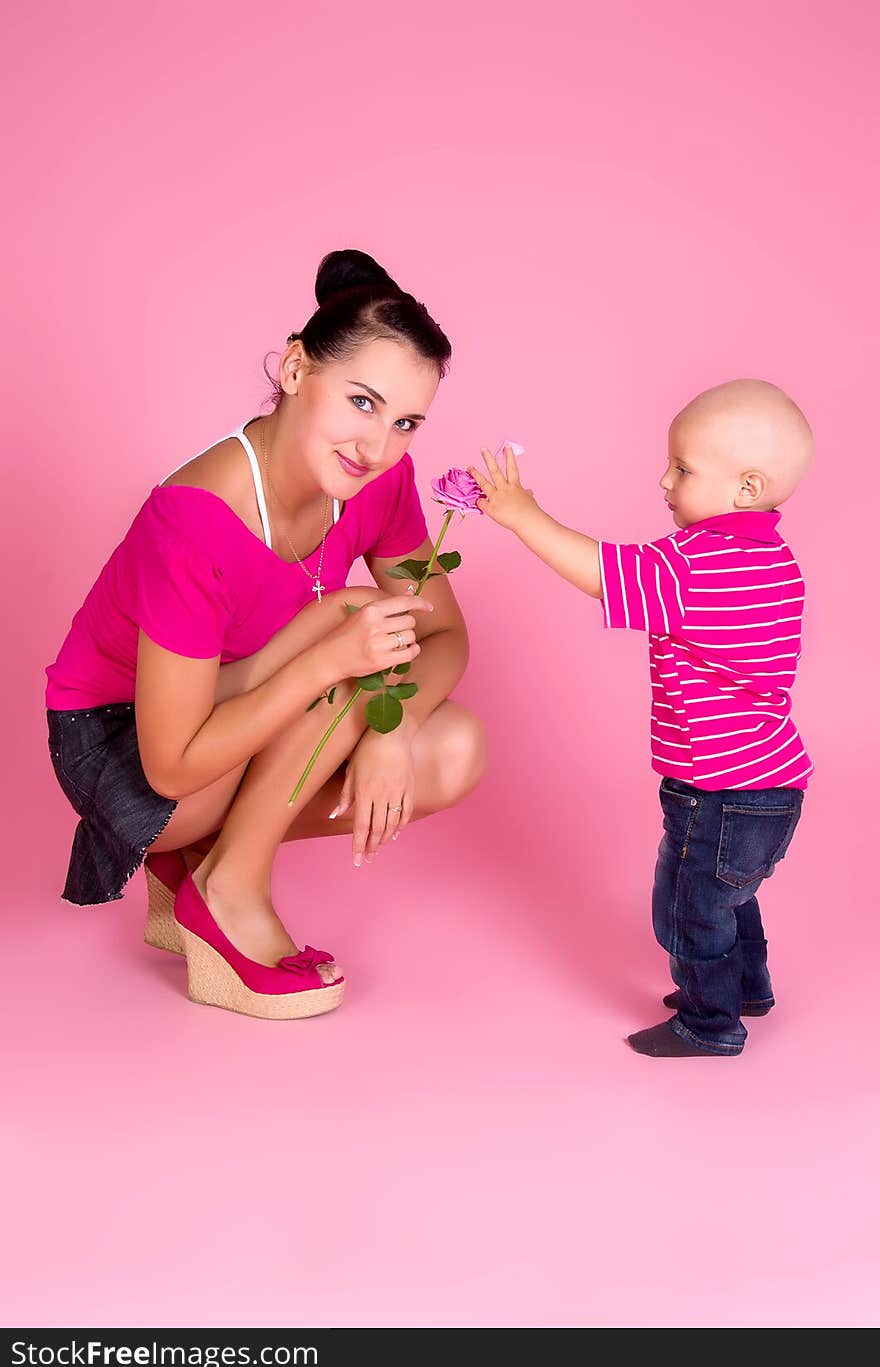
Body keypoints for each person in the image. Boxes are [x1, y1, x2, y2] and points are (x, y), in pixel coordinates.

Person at [46, 249, 486, 1021]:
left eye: (406, 422)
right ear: (293, 370)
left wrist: (392, 727)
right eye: (360, 402)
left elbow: (444, 632)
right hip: (126, 747)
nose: (377, 445)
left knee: (450, 750)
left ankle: (208, 865)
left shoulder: (379, 479)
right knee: (356, 620)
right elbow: (174, 765)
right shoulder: (193, 518)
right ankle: (229, 889)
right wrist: (330, 665)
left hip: (237, 712)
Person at [468, 379, 812, 1056]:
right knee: (731, 895)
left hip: (717, 791)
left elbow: (604, 572)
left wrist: (523, 517)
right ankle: (748, 986)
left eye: (682, 469)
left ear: (746, 488)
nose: (664, 480)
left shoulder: (691, 564)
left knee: (687, 909)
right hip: (775, 785)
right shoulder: (776, 561)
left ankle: (709, 1024)